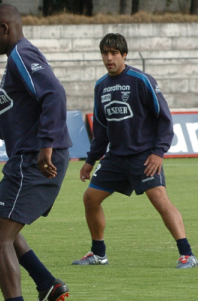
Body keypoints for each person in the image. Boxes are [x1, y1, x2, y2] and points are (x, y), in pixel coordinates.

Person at [0, 4, 72, 301]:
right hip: (26, 157)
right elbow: (24, 110)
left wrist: (45, 146)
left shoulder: (22, 54)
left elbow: (54, 94)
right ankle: (47, 283)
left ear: (5, 28)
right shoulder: (18, 57)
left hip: (34, 159)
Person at [72, 33, 196, 269]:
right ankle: (98, 253)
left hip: (144, 156)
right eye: (105, 53)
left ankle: (187, 254)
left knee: (159, 199)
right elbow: (101, 127)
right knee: (90, 198)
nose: (109, 58)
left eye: (114, 53)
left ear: (124, 54)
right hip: (115, 157)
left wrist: (158, 152)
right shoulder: (101, 86)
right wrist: (90, 161)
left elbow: (164, 118)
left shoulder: (141, 80)